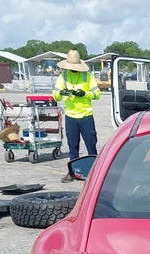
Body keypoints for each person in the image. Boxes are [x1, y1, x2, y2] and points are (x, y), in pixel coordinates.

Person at [53, 50, 101, 182]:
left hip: (86, 115)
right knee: (72, 145)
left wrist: (84, 93)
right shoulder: (63, 76)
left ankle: (95, 172)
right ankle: (72, 172)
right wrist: (62, 92)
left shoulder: (87, 76)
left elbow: (97, 94)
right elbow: (55, 95)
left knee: (91, 144)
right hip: (71, 116)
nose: (73, 70)